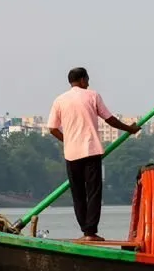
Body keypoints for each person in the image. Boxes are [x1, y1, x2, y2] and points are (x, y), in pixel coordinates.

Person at [47, 67, 139, 242]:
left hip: (71, 153)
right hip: (91, 150)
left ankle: (85, 231)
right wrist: (130, 129)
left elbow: (52, 128)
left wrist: (68, 140)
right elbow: (109, 119)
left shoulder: (59, 100)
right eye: (87, 79)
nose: (88, 83)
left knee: (78, 194)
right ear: (82, 80)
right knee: (94, 192)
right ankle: (91, 232)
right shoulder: (92, 95)